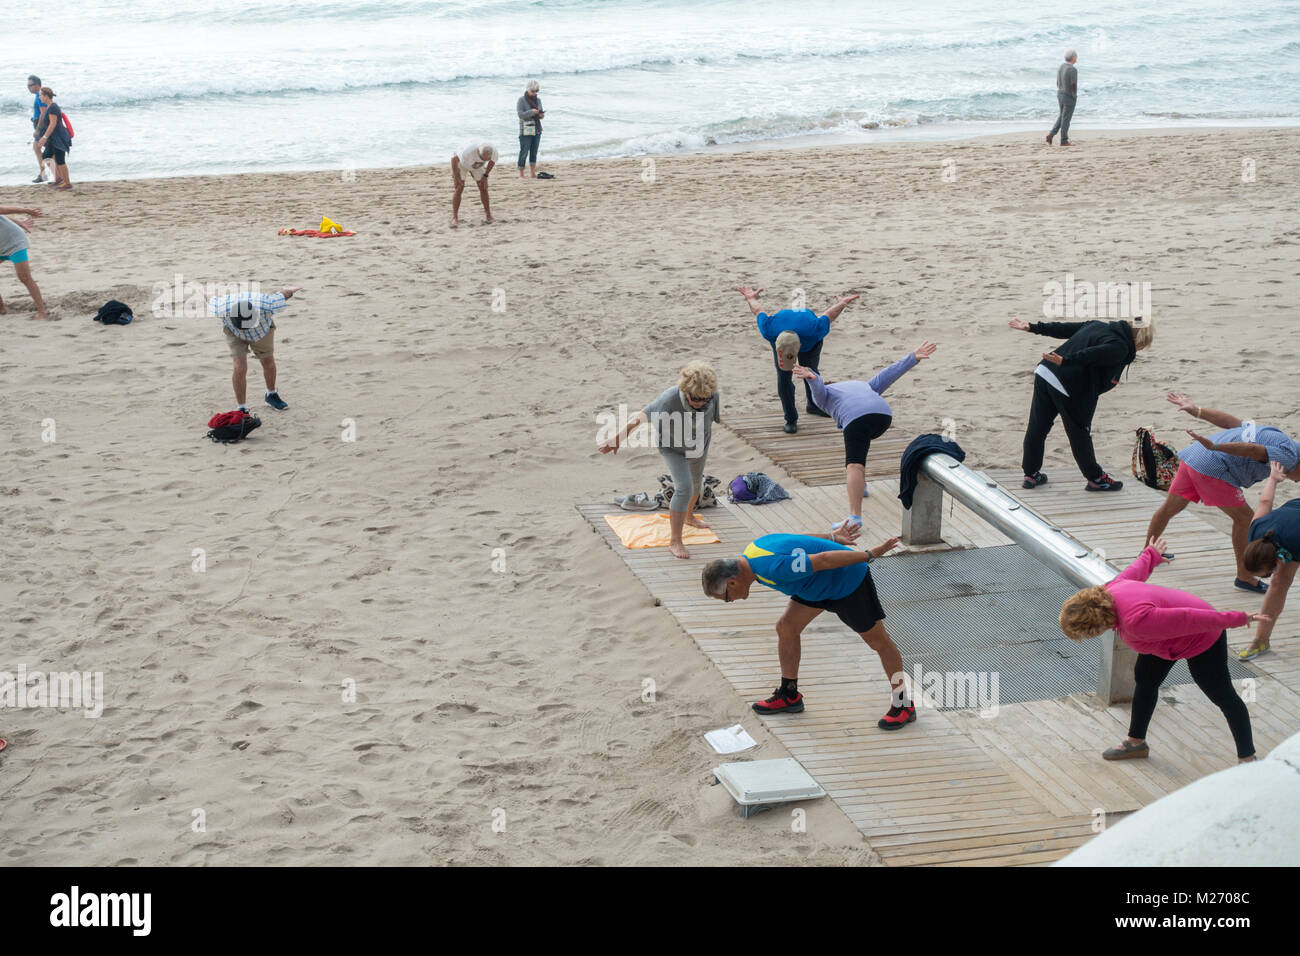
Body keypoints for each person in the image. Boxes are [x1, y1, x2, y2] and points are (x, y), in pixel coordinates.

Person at [1059, 535, 1266, 763]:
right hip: (1165, 641)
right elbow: (1134, 573)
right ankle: (1136, 743)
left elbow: (1188, 619)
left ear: (1095, 626)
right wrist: (1151, 555)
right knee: (1145, 679)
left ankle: (1248, 759)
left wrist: (1235, 618)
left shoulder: (1137, 621)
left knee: (1223, 695)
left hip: (1202, 636)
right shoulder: (1106, 592)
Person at [700, 523, 916, 728]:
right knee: (786, 627)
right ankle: (789, 694)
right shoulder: (754, 550)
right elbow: (800, 540)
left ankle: (903, 703)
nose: (732, 601)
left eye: (727, 598)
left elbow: (823, 559)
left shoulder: (773, 568)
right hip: (813, 587)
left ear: (732, 582)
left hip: (847, 583)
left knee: (878, 642)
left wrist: (870, 555)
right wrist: (833, 537)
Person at [1145, 392, 1300, 595]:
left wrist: (1196, 410)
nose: (1296, 481)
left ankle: (1146, 554)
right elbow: (1252, 449)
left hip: (1195, 455)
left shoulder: (1278, 436)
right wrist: (1216, 447)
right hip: (1212, 466)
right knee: (1245, 520)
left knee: (1170, 508)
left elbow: (1230, 422)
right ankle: (1244, 577)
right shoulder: (1288, 457)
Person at [792, 342, 937, 529]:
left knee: (853, 464)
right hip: (883, 416)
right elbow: (888, 375)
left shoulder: (826, 396)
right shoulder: (862, 385)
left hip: (857, 418)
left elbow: (818, 391)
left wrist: (813, 378)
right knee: (861, 449)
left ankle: (855, 517)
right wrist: (912, 358)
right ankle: (862, 486)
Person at [1009, 315, 1153, 491]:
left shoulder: (1096, 325)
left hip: (1045, 372)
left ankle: (1031, 475)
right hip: (1069, 384)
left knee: (1037, 427)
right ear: (1139, 340)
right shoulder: (1120, 347)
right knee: (1079, 434)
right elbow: (1094, 354)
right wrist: (1066, 361)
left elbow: (1063, 329)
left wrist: (1032, 327)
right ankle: (1096, 479)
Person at [598, 361, 720, 560]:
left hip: (698, 445)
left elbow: (711, 417)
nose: (700, 403)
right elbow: (643, 415)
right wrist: (617, 438)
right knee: (684, 488)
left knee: (696, 485)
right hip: (672, 448)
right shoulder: (669, 399)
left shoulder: (712, 396)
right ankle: (675, 541)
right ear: (686, 390)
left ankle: (689, 517)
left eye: (704, 400)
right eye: (695, 399)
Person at [737, 285, 859, 433]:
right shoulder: (770, 330)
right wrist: (750, 298)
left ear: (800, 344)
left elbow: (830, 315)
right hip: (783, 338)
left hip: (809, 341)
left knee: (811, 373)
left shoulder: (813, 331)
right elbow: (757, 310)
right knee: (783, 378)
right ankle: (790, 418)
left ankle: (813, 405)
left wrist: (842, 303)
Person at [1238, 461, 1300, 660]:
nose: (1271, 574)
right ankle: (1261, 640)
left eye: (1268, 571)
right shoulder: (1256, 532)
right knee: (1279, 581)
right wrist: (1272, 479)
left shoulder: (1295, 541)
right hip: (1292, 524)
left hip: (1295, 532)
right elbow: (1265, 503)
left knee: (1281, 578)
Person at [207, 285, 303, 412]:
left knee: (267, 361)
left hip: (262, 331)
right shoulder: (220, 307)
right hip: (233, 333)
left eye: (246, 326)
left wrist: (294, 288)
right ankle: (242, 408)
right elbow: (210, 297)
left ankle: (271, 395)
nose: (244, 330)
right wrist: (204, 291)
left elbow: (285, 293)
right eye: (241, 326)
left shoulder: (267, 304)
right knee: (240, 367)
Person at [0, 206, 48, 319]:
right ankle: (1, 309)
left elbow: (1, 211)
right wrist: (20, 222)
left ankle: (42, 312)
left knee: (24, 277)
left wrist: (25, 210)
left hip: (14, 242)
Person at [451, 142, 497, 227]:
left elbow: (492, 161)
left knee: (483, 187)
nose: (485, 160)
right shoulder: (466, 152)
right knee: (459, 187)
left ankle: (488, 216)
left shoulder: (493, 151)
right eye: (483, 158)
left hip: (477, 166)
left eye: (486, 159)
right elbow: (454, 159)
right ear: (479, 152)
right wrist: (456, 176)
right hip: (462, 164)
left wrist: (485, 176)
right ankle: (455, 217)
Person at [34, 87, 72, 190]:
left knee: (60, 160)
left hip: (59, 138)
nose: (40, 97)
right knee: (46, 156)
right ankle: (59, 178)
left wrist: (44, 138)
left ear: (46, 96)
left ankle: (67, 183)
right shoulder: (49, 107)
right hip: (53, 139)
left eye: (41, 95)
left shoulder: (53, 107)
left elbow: (53, 124)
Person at [1046, 50, 1078, 147]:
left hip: (1060, 93)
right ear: (1073, 58)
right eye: (1076, 56)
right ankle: (1064, 141)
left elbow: (1057, 82)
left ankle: (1051, 134)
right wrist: (1074, 95)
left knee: (1062, 116)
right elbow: (1073, 84)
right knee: (1066, 119)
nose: (1076, 58)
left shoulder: (1061, 66)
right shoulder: (1072, 69)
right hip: (1068, 95)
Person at [516, 80, 544, 179]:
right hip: (525, 130)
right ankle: (521, 175)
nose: (534, 93)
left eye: (536, 91)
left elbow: (541, 116)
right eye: (533, 91)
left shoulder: (538, 100)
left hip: (537, 129)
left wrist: (541, 115)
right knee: (524, 152)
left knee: (534, 152)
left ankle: (532, 173)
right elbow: (520, 115)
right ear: (527, 89)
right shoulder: (521, 100)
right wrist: (532, 112)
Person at [27, 75, 47, 183]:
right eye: (28, 86)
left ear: (38, 85)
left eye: (30, 85)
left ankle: (44, 174)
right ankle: (44, 173)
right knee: (38, 148)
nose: (28, 88)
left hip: (41, 126)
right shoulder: (38, 95)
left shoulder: (40, 94)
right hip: (39, 124)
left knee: (38, 148)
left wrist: (38, 129)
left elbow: (43, 112)